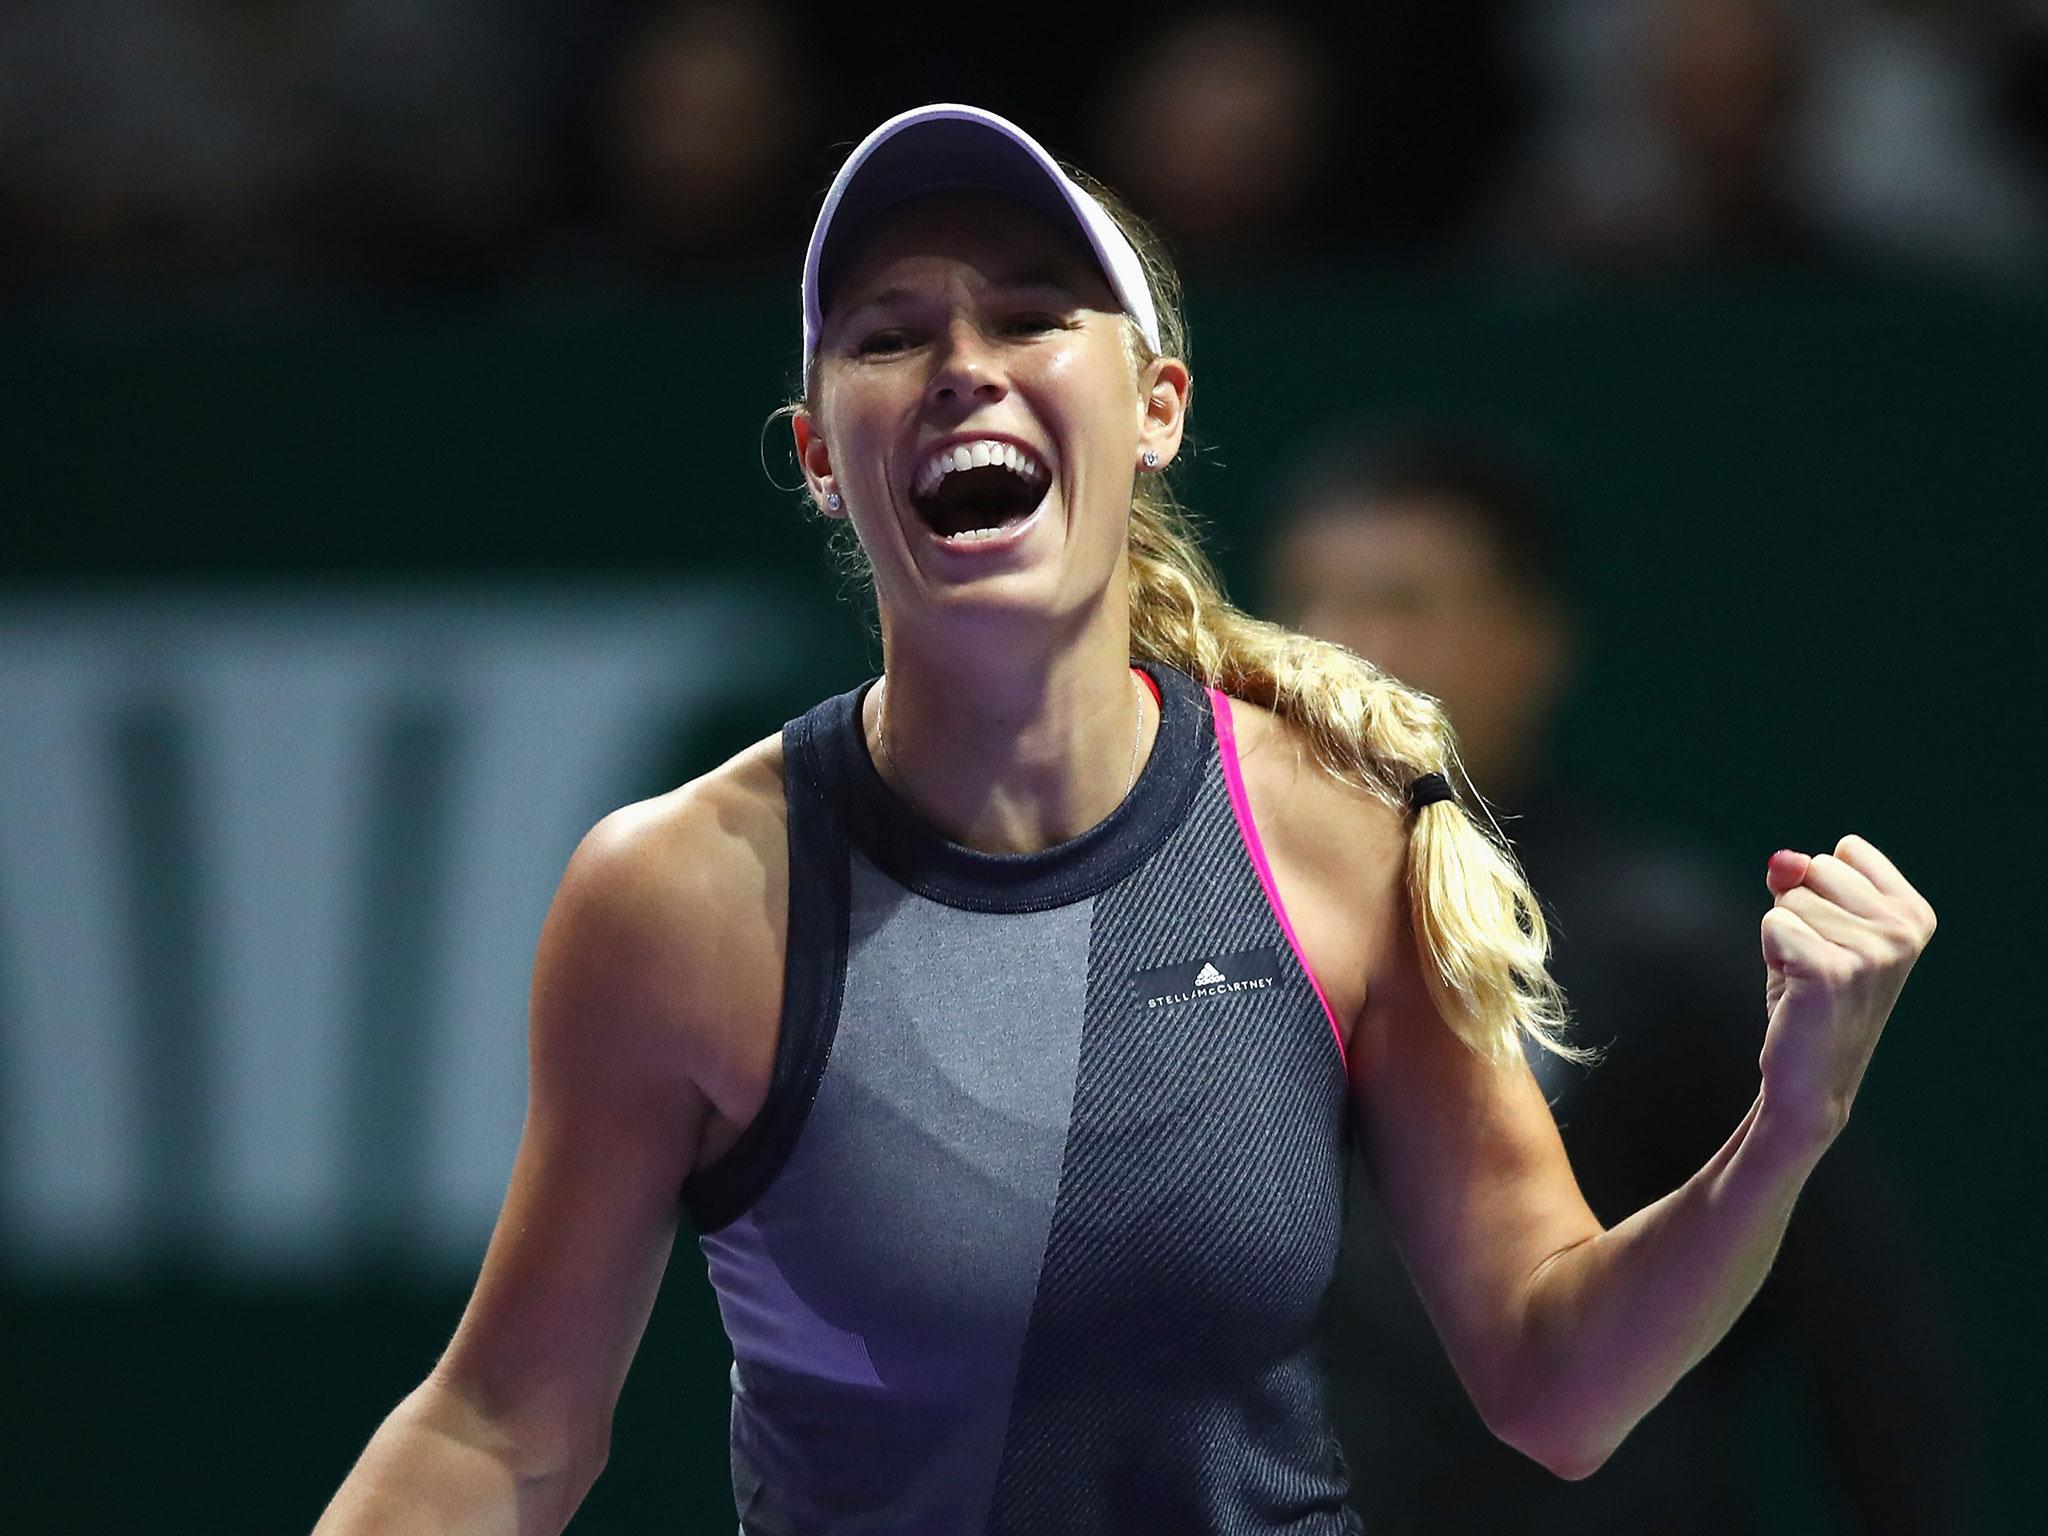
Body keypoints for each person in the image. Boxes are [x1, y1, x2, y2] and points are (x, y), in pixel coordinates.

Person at [312, 103, 1938, 1534]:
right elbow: (505, 1427)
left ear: (1152, 408)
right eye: (887, 335)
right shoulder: (676, 895)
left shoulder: (1338, 834)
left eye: (1030, 316)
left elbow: (1553, 1381)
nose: (960, 366)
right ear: (819, 457)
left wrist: (1782, 1124)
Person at [1266, 432, 1978, 1533]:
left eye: (1400, 601)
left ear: (1531, 642)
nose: (1341, 648)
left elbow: (1864, 1338)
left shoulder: (1661, 946)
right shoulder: (1223, 925)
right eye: (1307, 602)